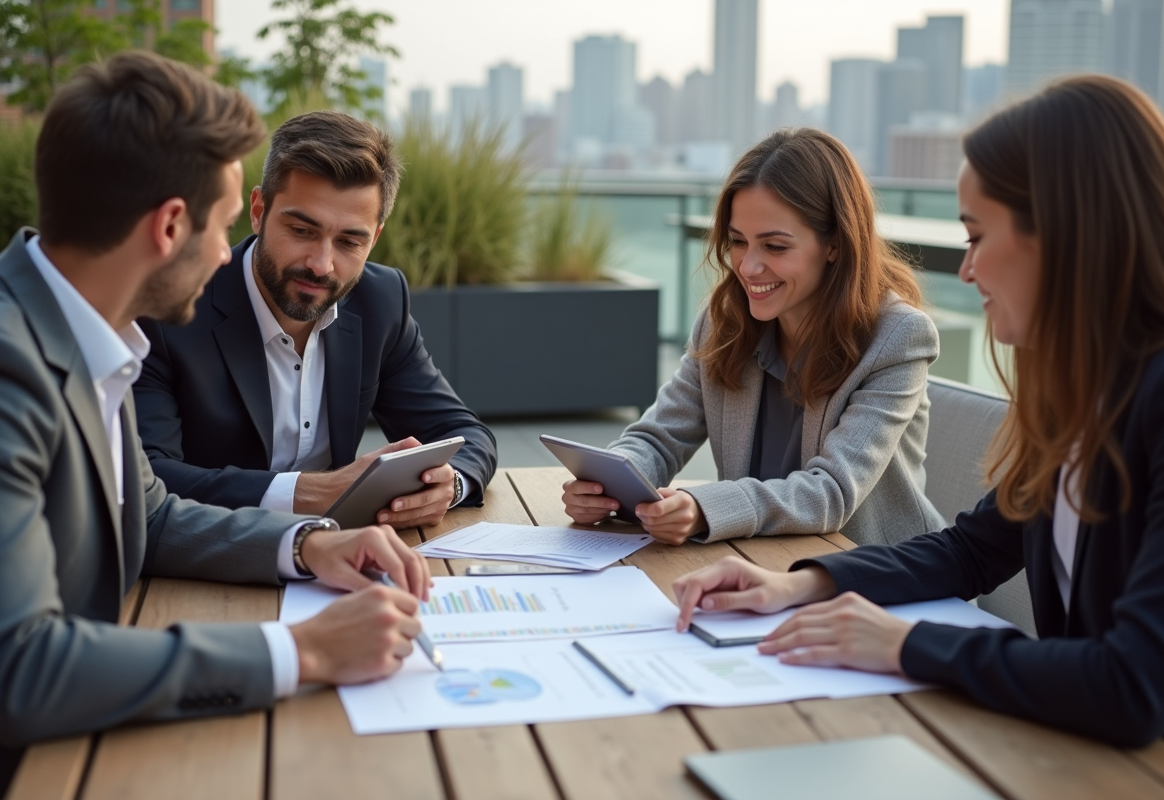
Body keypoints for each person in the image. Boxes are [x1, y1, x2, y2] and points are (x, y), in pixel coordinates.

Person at [672, 75, 1164, 759]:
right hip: (1075, 753)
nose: (969, 270)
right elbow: (971, 551)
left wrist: (905, 644)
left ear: (1067, 236)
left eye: (977, 236)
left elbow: (1134, 685)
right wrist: (797, 585)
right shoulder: (1086, 393)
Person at [0, 53, 435, 791]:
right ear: (171, 225)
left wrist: (310, 545)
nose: (227, 254)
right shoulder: (14, 371)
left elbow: (151, 515)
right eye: (229, 223)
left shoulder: (83, 336)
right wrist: (301, 651)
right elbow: (23, 669)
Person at [563, 129, 943, 546]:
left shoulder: (897, 338)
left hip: (874, 572)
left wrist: (704, 508)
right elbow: (659, 437)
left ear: (835, 244)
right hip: (760, 563)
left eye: (775, 246)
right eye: (738, 242)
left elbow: (830, 493)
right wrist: (609, 484)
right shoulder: (724, 321)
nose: (747, 267)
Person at [134, 110, 497, 529]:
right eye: (302, 230)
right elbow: (146, 475)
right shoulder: (169, 309)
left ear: (375, 238)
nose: (321, 264)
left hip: (344, 551)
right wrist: (308, 492)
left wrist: (448, 486)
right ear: (258, 210)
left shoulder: (380, 301)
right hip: (204, 553)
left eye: (349, 242)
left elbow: (463, 433)